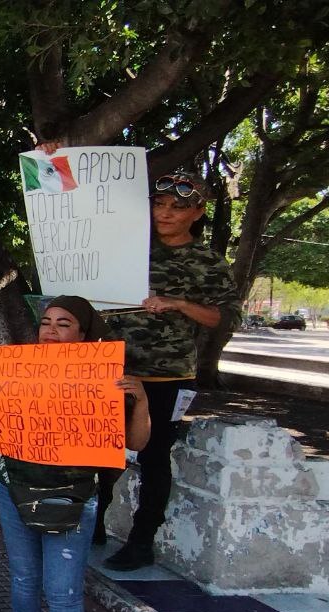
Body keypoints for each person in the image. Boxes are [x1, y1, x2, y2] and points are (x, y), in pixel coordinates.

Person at [0, 297, 151, 612]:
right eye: (46, 323)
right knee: (24, 580)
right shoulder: (15, 368)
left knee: (64, 592)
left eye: (64, 324)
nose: (50, 331)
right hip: (15, 488)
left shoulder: (107, 379)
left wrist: (140, 400)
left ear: (84, 335)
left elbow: (138, 442)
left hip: (72, 497)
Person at [101, 170, 241, 572]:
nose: (164, 213)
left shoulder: (208, 262)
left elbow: (222, 317)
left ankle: (142, 541)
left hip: (168, 375)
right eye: (159, 205)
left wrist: (178, 303)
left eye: (177, 208)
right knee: (99, 449)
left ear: (197, 212)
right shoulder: (130, 249)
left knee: (154, 455)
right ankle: (95, 523)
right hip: (114, 366)